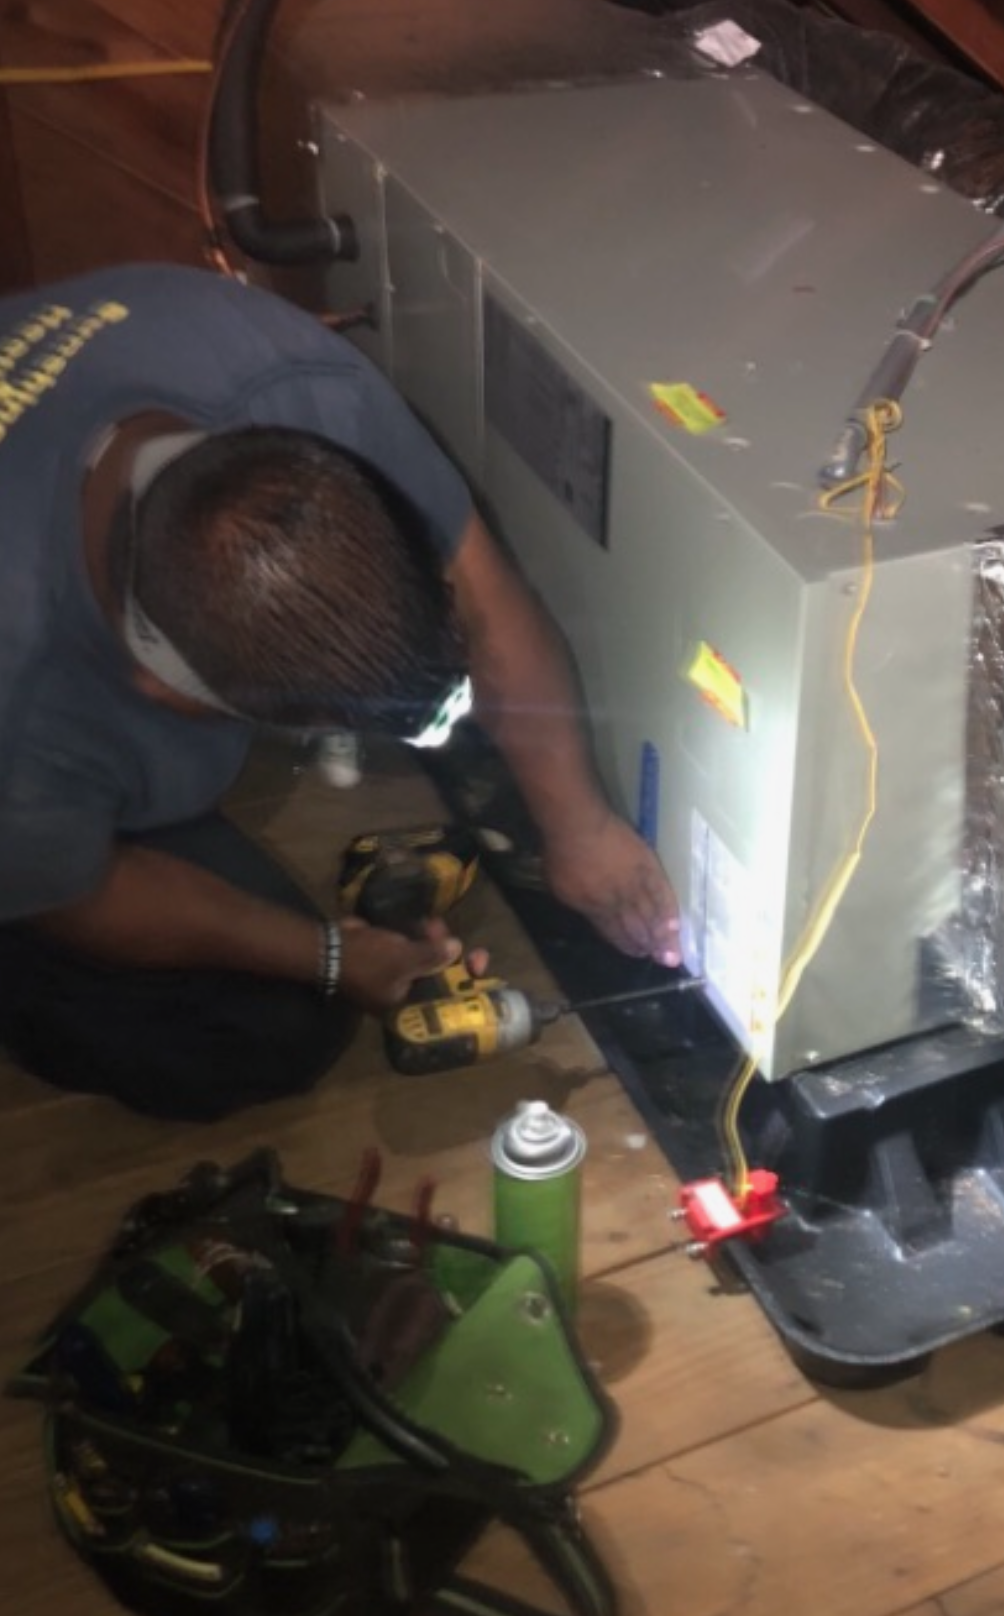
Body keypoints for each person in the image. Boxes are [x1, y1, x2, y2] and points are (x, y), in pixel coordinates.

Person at [0, 263, 680, 1121]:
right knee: (255, 1036)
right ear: (165, 698)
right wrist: (329, 958)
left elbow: (482, 586)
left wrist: (578, 824)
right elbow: (83, 897)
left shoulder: (294, 380)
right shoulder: (20, 699)